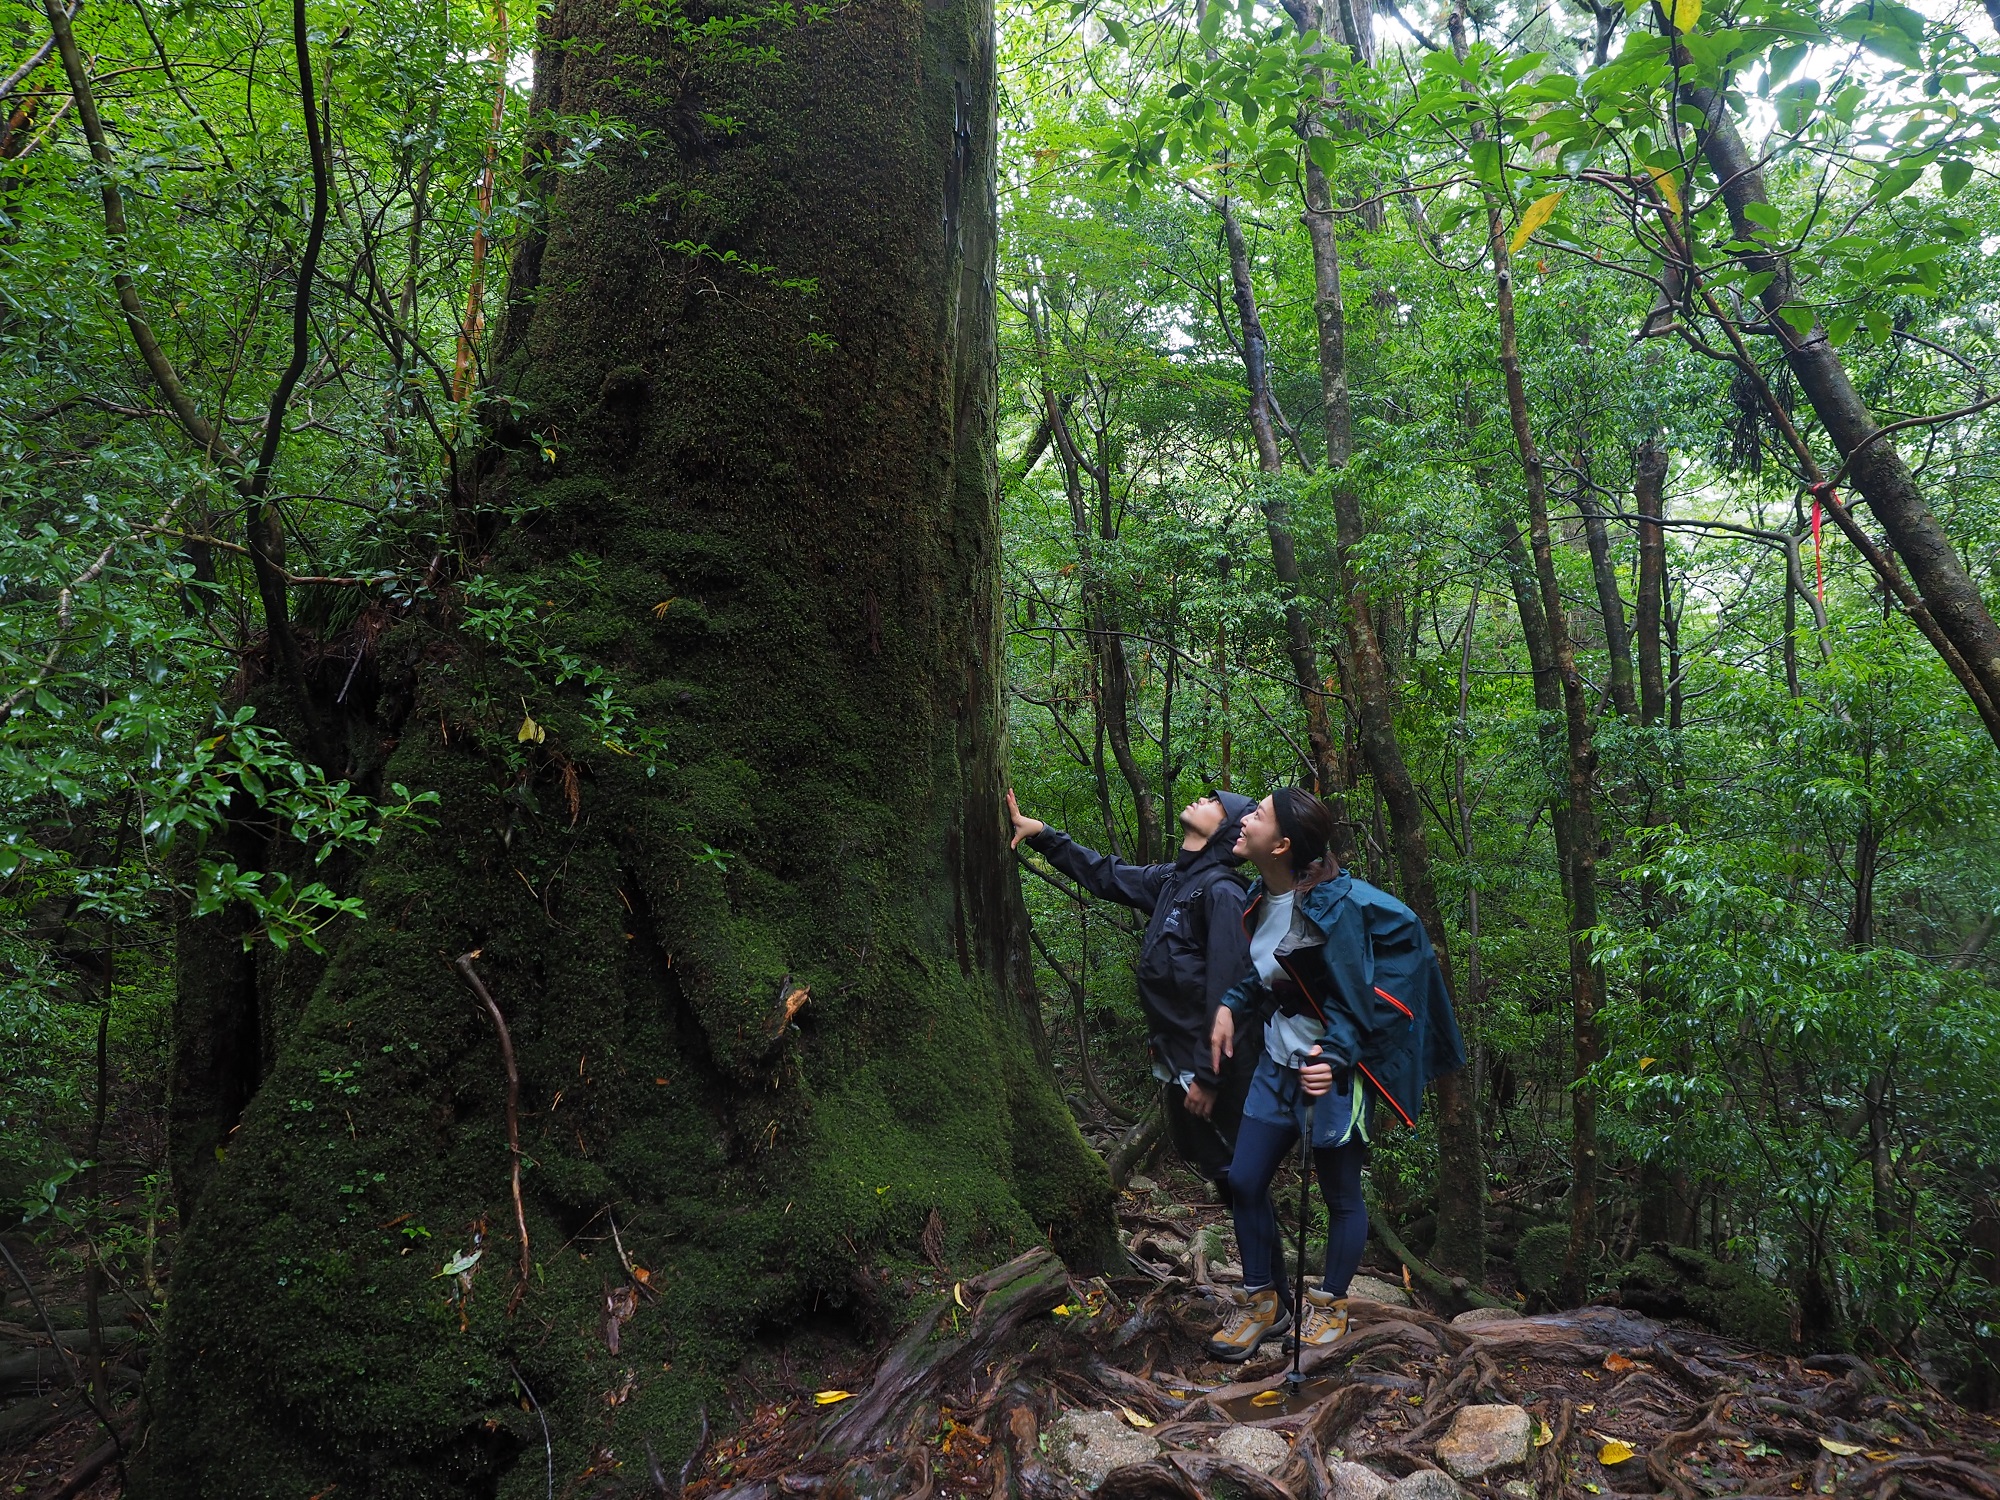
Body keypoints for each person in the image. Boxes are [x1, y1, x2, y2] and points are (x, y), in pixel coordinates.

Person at [1204, 788, 1465, 1363]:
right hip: (1278, 1061)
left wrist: (1335, 1060)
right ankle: (1263, 1304)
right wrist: (1230, 1004)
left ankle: (1330, 1305)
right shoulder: (1261, 893)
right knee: (1245, 1180)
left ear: (1283, 844)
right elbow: (1271, 974)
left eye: (1259, 814)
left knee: (1340, 1194)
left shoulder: (1337, 908)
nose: (1244, 818)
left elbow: (1352, 1002)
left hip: (1331, 1071)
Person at [1007, 787, 1262, 1195]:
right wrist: (1042, 833)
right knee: (1226, 1179)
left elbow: (1228, 994)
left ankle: (1268, 1261)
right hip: (1183, 1064)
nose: (1203, 798)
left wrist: (1209, 1077)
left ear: (1229, 832)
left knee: (1240, 1183)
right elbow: (1107, 875)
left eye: (1217, 803)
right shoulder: (1174, 881)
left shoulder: (1222, 893)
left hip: (1219, 1074)